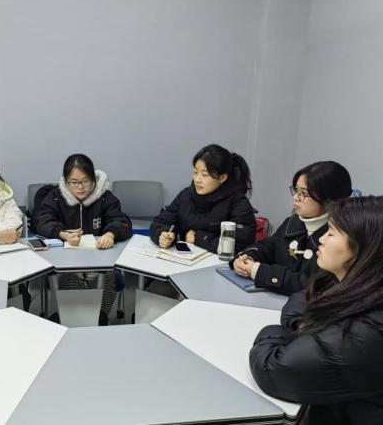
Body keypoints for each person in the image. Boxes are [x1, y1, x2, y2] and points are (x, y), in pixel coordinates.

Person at [250, 196, 383, 425]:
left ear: (363, 249)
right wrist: (301, 326)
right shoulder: (349, 283)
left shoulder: (368, 331)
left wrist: (276, 332)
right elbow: (302, 297)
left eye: (331, 233)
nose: (321, 239)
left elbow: (273, 368)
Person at [34, 154, 132, 325]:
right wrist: (63, 234)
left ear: (93, 179)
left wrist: (110, 234)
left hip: (101, 261)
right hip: (66, 263)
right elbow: (42, 222)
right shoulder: (55, 197)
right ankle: (71, 318)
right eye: (74, 182)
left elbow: (122, 221)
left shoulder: (104, 197)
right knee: (69, 279)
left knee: (108, 278)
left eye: (85, 181)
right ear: (66, 182)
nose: (80, 187)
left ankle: (101, 317)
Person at [232, 161, 352, 295]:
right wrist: (246, 258)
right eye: (296, 190)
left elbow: (312, 285)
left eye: (303, 193)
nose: (296, 197)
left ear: (329, 199)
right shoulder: (293, 221)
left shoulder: (341, 237)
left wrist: (258, 271)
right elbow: (268, 246)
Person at [150, 144, 256, 254]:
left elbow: (240, 244)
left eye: (205, 175)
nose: (197, 180)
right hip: (185, 258)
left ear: (222, 178)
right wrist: (161, 234)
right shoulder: (186, 195)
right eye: (195, 172)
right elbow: (161, 221)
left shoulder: (238, 203)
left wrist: (199, 239)